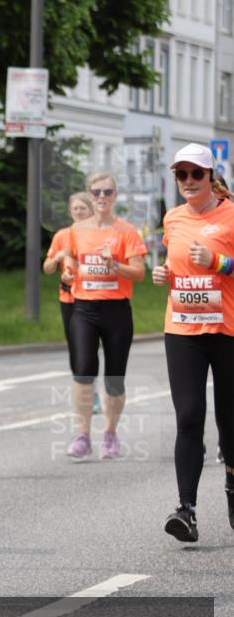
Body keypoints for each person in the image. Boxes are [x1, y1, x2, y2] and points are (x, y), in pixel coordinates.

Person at [152, 144, 234, 542]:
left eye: (194, 174)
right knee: (188, 417)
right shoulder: (173, 218)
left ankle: (232, 487)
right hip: (182, 328)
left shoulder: (231, 214)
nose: (187, 181)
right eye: (181, 175)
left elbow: (221, 265)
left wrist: (218, 263)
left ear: (210, 177)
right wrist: (164, 272)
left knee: (230, 424)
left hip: (227, 330)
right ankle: (187, 509)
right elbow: (177, 264)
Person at [63, 171, 147, 459]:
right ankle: (82, 435)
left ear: (115, 196)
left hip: (116, 310)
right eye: (96, 192)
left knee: (114, 378)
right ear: (89, 193)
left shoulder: (126, 231)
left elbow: (139, 272)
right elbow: (72, 257)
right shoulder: (77, 230)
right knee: (83, 369)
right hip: (84, 308)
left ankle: (110, 434)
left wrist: (117, 267)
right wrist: (69, 269)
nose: (101, 197)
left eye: (107, 192)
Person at [43, 192, 102, 414]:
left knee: (88, 348)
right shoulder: (62, 235)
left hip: (90, 298)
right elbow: (47, 268)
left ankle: (91, 392)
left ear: (91, 211)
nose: (78, 213)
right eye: (75, 209)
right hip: (68, 299)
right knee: (75, 348)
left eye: (82, 209)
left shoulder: (97, 235)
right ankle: (83, 390)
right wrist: (57, 258)